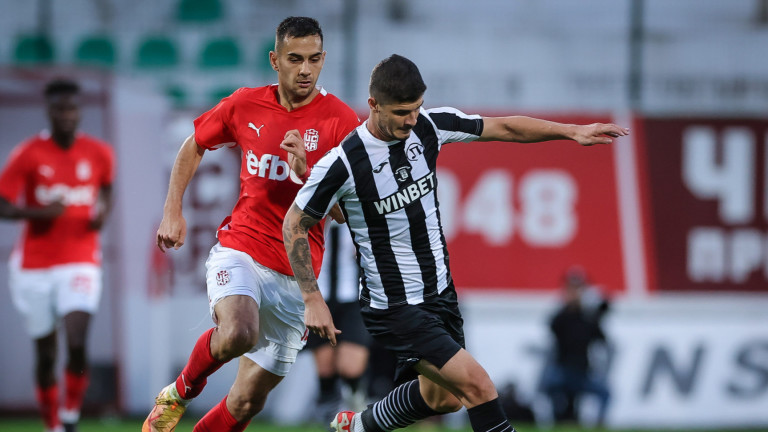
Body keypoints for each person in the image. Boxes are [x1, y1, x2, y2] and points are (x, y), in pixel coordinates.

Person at [283, 54, 629, 432]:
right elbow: (294, 224)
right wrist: (312, 299)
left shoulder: (429, 126)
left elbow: (506, 128)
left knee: (442, 398)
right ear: (373, 105)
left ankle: (360, 425)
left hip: (440, 295)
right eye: (401, 112)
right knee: (479, 387)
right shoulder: (345, 161)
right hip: (395, 305)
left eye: (416, 108)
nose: (412, 120)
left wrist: (572, 132)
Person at [142, 16, 359, 432]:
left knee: (244, 402)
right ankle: (180, 392)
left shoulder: (341, 122)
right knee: (239, 331)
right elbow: (195, 143)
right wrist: (173, 209)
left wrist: (310, 172)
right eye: (295, 59)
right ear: (275, 60)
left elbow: (349, 212)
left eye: (314, 59)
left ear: (324, 59)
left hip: (298, 275)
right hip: (242, 248)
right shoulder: (245, 104)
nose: (305, 70)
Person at [0, 78, 115, 432]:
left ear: (79, 111)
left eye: (72, 108)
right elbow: (3, 205)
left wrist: (102, 213)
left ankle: (70, 416)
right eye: (60, 108)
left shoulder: (99, 152)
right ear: (49, 111)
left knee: (78, 342)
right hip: (34, 266)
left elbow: (106, 189)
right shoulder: (28, 153)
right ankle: (52, 423)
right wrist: (39, 212)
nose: (67, 115)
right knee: (46, 353)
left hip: (80, 259)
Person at [306, 220, 372, 422]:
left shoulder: (361, 206)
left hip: (355, 297)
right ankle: (331, 420)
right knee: (326, 368)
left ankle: (357, 405)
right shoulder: (308, 207)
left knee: (350, 366)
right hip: (318, 297)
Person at [543, 266, 611, 426]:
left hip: (582, 373)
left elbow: (602, 338)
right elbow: (555, 327)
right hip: (563, 371)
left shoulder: (588, 318)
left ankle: (599, 426)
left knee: (605, 393)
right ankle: (558, 421)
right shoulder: (561, 317)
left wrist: (596, 313)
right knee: (550, 386)